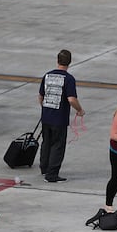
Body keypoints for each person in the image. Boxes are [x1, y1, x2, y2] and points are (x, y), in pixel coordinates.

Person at [39, 49, 85, 183]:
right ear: (69, 62)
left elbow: (40, 96)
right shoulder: (69, 79)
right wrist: (80, 110)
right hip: (59, 118)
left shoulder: (47, 75)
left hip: (46, 115)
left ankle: (44, 168)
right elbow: (71, 99)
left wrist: (45, 108)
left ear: (57, 60)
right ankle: (52, 174)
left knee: (46, 142)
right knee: (58, 145)